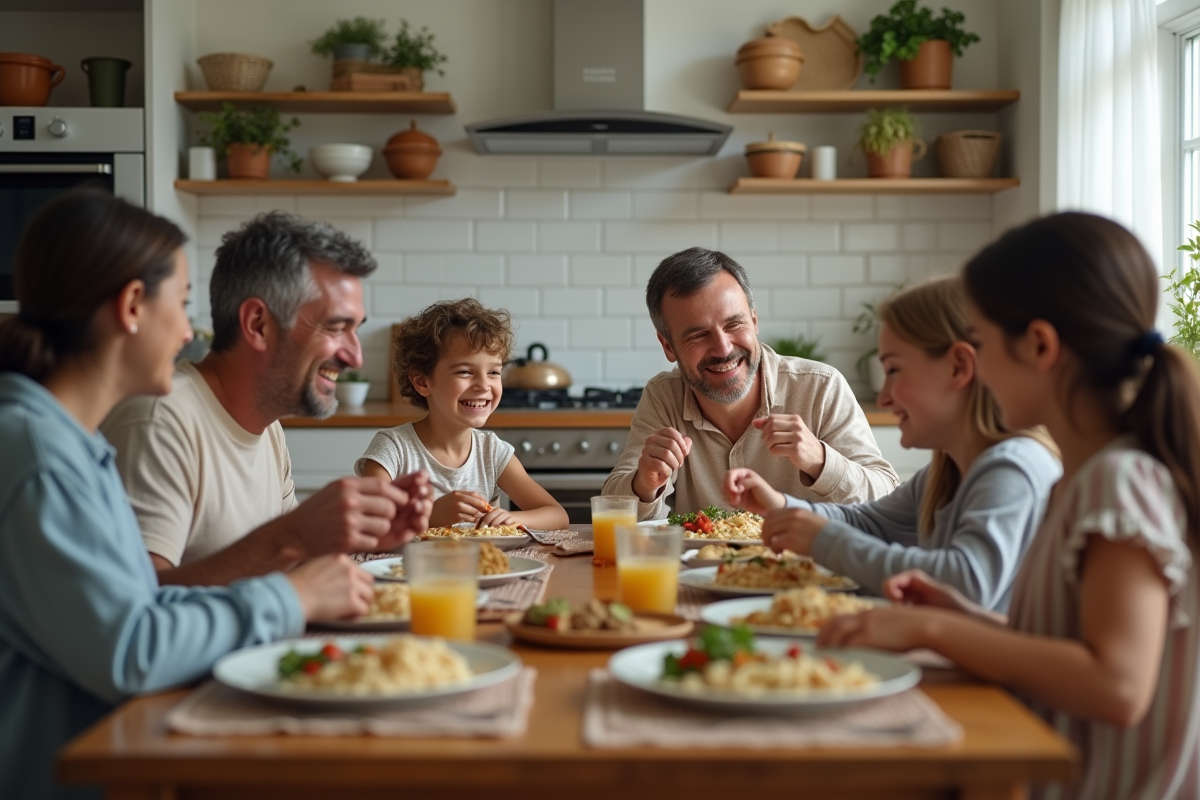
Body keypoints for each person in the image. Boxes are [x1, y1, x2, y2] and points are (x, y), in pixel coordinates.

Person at [0, 190, 427, 800]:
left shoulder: (71, 446)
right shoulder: (49, 456)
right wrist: (288, 586)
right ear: (130, 308)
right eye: (180, 304)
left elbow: (138, 608)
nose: (188, 330)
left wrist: (338, 541)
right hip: (104, 774)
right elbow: (132, 649)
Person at [820, 213, 1200, 800]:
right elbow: (1070, 644)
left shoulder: (1118, 482)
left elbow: (1117, 685)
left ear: (1040, 346)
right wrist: (966, 617)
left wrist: (933, 628)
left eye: (982, 343)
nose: (975, 367)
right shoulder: (1082, 480)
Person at [101, 211, 430, 586]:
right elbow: (141, 609)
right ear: (258, 324)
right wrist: (291, 536)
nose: (355, 356)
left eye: (355, 330)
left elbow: (284, 564)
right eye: (336, 328)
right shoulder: (159, 421)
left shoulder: (266, 424)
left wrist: (361, 540)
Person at [723, 277, 1060, 610]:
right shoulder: (945, 473)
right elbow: (868, 523)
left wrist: (825, 541)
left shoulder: (1012, 466)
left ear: (958, 367)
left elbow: (967, 583)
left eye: (894, 371)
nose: (883, 398)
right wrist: (780, 507)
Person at [603, 247, 899, 520]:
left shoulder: (821, 388)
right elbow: (612, 512)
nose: (723, 349)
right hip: (699, 576)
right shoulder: (663, 397)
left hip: (805, 573)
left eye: (734, 324)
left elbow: (888, 500)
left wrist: (820, 461)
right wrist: (644, 484)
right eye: (698, 335)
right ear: (668, 347)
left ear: (754, 321)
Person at [356, 298, 569, 531]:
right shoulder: (393, 449)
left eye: (494, 372)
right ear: (422, 381)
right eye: (465, 371)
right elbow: (367, 524)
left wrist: (513, 519)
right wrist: (427, 517)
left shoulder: (492, 452)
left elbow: (557, 515)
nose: (483, 385)